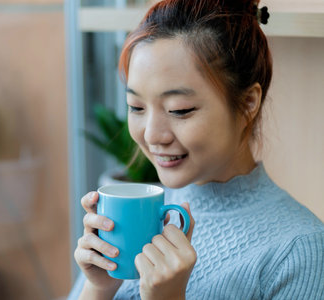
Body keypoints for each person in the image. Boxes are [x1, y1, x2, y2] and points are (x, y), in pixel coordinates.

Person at [68, 0, 324, 299]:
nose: (151, 134)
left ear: (248, 103)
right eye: (136, 106)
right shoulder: (150, 214)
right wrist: (98, 287)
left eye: (179, 109)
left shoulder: (300, 250)